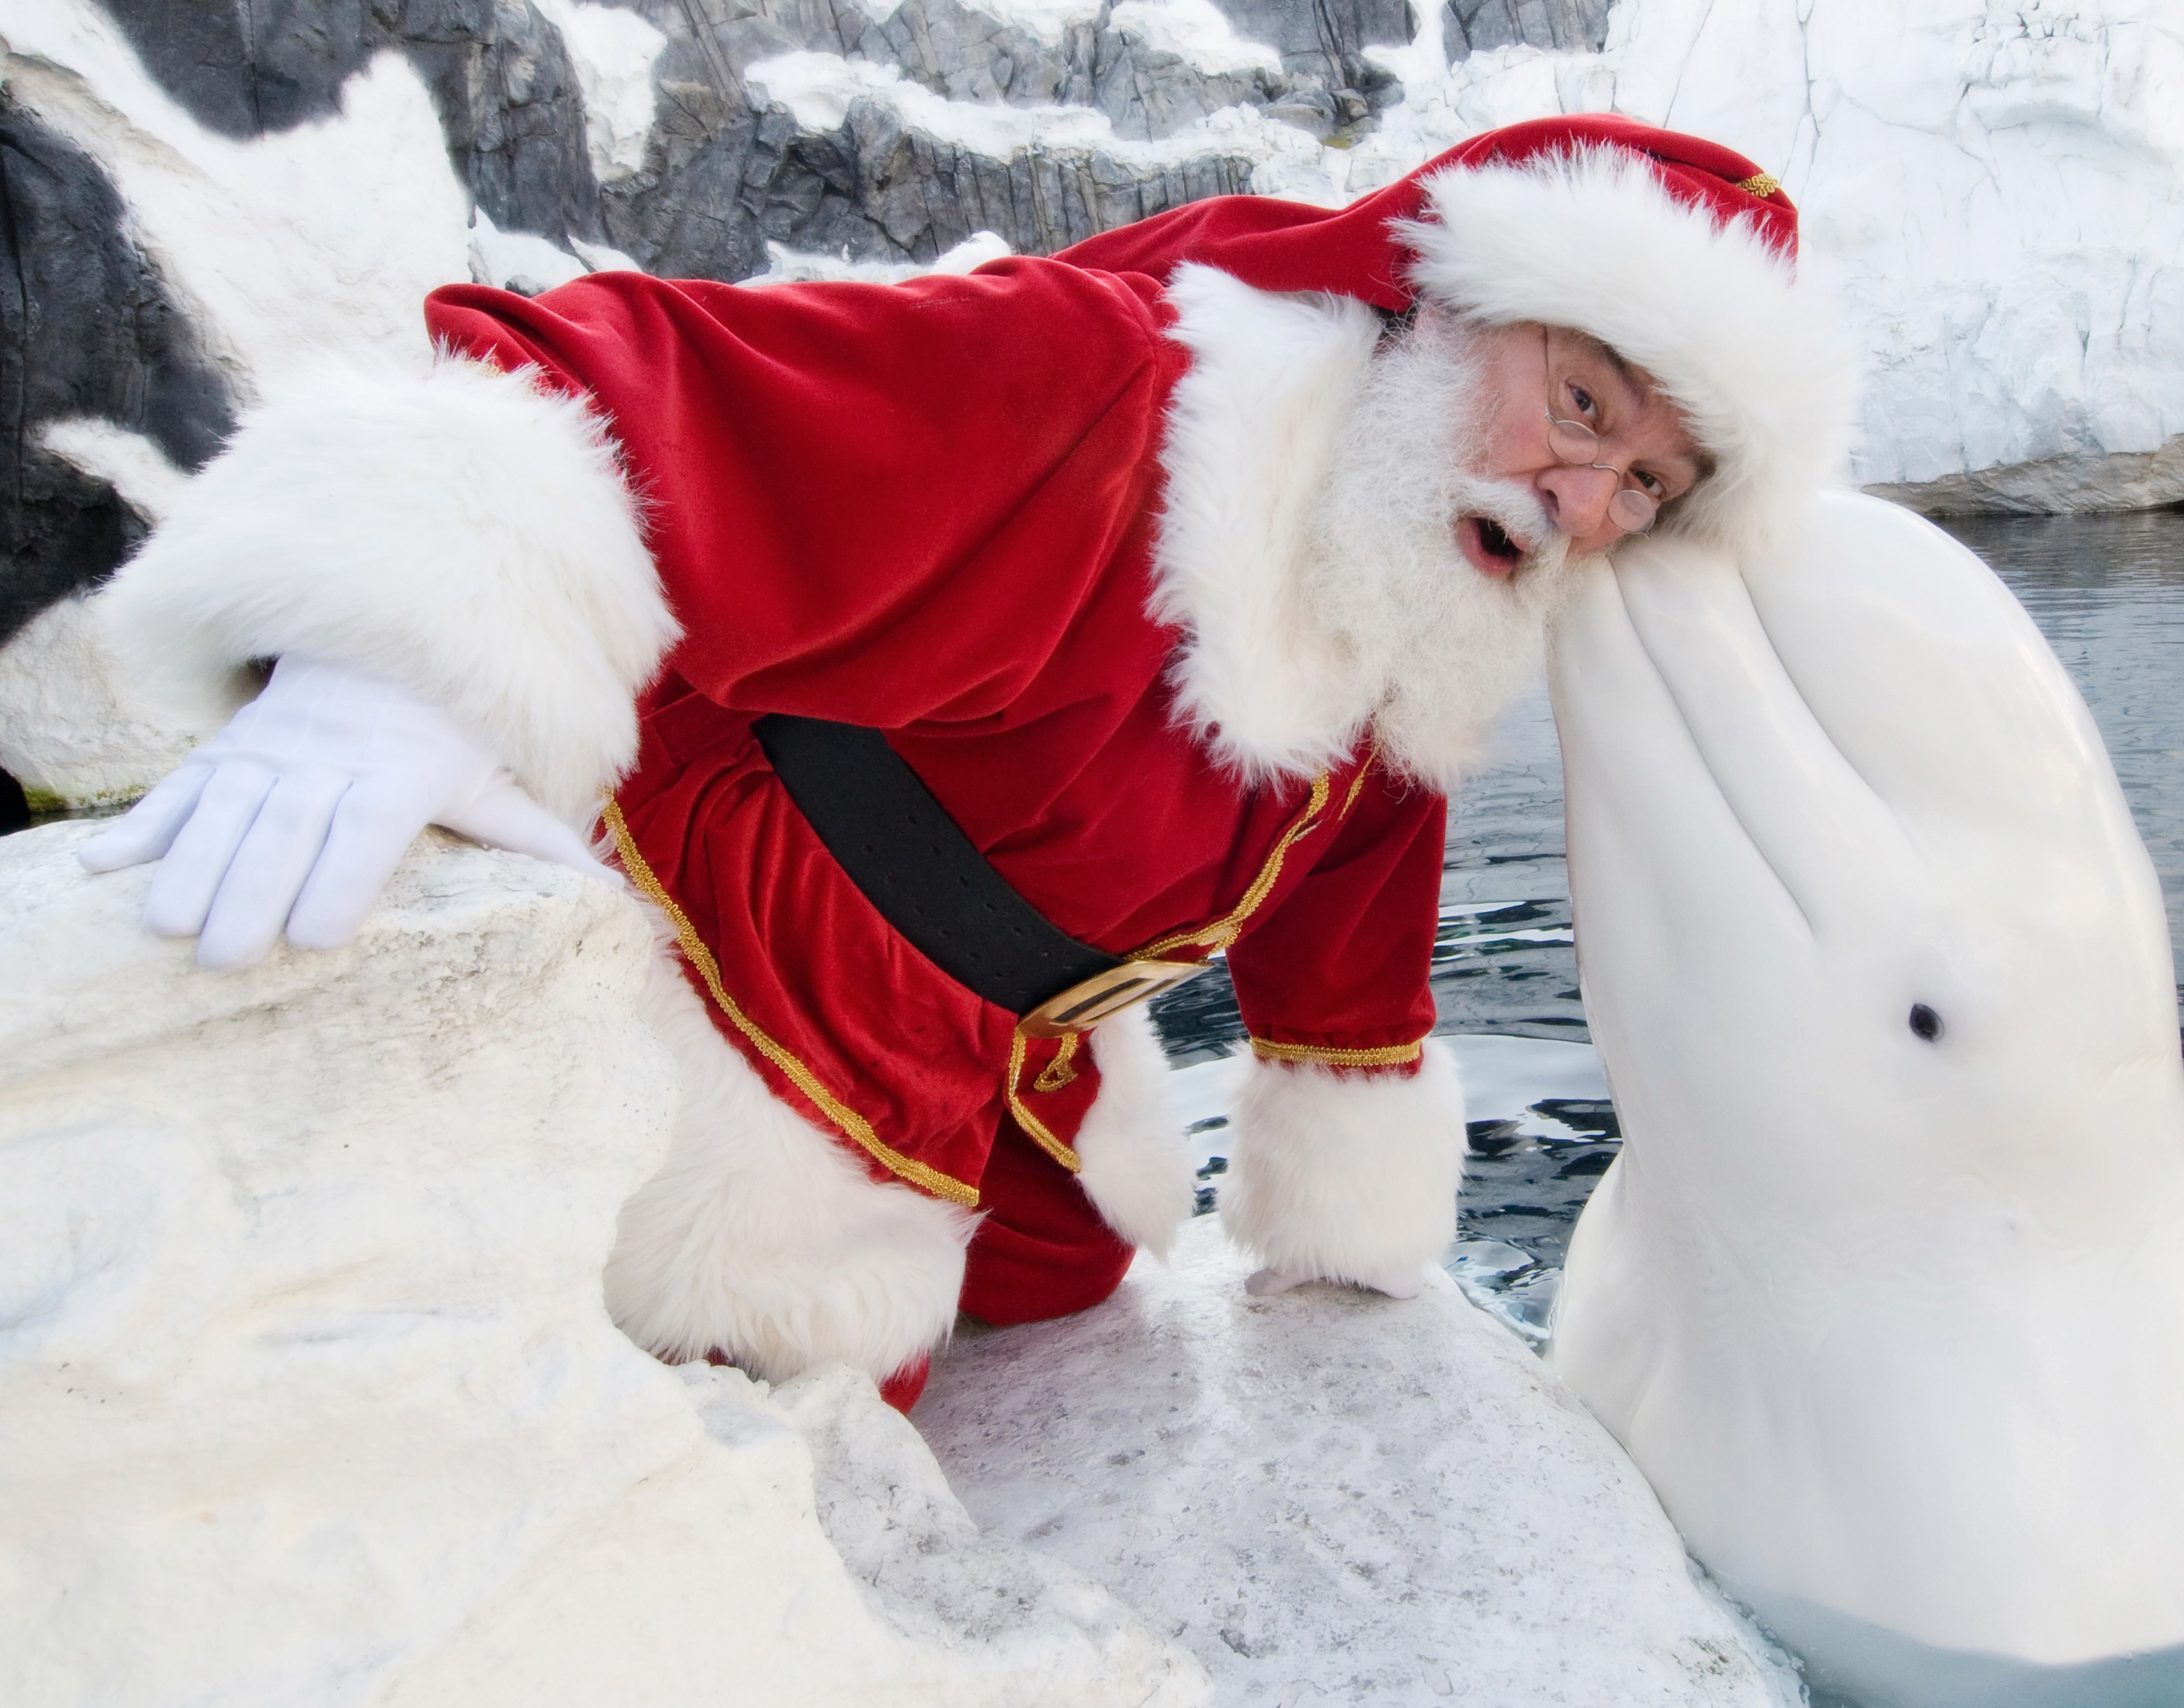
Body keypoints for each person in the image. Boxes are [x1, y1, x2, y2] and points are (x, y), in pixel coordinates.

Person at [74, 116, 1849, 1409]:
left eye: (1647, 489)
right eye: (1588, 407)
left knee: (1070, 1272)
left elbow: (1359, 896)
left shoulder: (1414, 571)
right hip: (739, 941)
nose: (1584, 503)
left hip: (995, 1052)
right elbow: (629, 366)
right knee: (767, 1391)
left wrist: (1347, 1206)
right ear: (1446, 302)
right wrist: (392, 662)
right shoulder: (1111, 386)